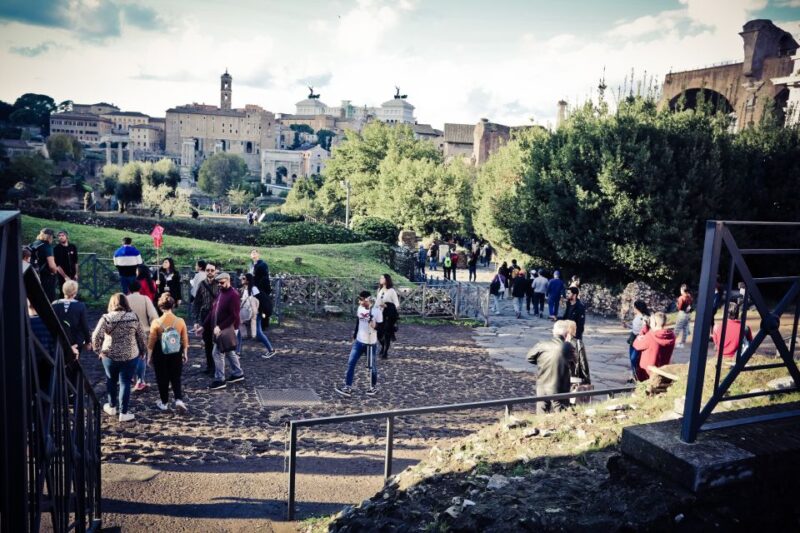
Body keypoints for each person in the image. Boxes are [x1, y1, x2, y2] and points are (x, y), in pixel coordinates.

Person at [92, 293, 147, 422]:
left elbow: (95, 337)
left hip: (109, 355)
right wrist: (143, 350)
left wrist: (98, 351)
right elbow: (142, 336)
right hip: (130, 355)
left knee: (110, 380)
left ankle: (111, 407)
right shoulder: (133, 317)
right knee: (125, 382)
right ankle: (124, 412)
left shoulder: (106, 318)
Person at [199, 272, 243, 390]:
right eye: (218, 283)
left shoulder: (233, 295)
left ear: (228, 281)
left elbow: (234, 316)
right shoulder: (221, 293)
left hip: (227, 328)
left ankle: (220, 379)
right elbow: (213, 311)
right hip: (221, 328)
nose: (220, 285)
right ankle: (238, 373)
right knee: (228, 350)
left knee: (217, 352)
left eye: (222, 283)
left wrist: (221, 327)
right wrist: (203, 326)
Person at [148, 294, 190, 412]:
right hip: (176, 352)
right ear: (173, 306)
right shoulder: (180, 321)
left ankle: (164, 402)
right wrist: (185, 353)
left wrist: (149, 356)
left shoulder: (156, 322)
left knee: (162, 378)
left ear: (160, 307)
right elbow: (185, 339)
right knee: (176, 377)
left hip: (160, 353)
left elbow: (151, 341)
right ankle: (178, 400)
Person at [335, 291, 381, 397]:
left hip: (371, 343)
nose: (359, 301)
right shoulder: (359, 308)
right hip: (359, 342)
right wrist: (355, 334)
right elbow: (358, 321)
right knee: (351, 363)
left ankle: (373, 387)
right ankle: (348, 387)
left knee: (372, 367)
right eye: (359, 299)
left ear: (367, 300)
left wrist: (373, 323)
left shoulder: (376, 310)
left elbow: (380, 326)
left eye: (361, 299)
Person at [526, 320, 576, 414]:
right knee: (562, 415)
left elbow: (529, 358)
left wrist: (542, 361)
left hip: (542, 385)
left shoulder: (542, 344)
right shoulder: (568, 346)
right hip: (559, 387)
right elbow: (574, 363)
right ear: (566, 333)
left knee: (541, 415)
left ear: (554, 331)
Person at [127, 280, 158, 392]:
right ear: (140, 288)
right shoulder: (145, 299)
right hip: (144, 331)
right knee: (141, 356)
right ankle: (140, 381)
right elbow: (154, 316)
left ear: (129, 289)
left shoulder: (125, 300)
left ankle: (129, 377)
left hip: (129, 331)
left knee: (129, 355)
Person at [237, 272, 276, 359]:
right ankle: (237, 352)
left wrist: (259, 312)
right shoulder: (244, 288)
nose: (241, 279)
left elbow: (260, 300)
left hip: (255, 314)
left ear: (248, 280)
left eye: (243, 278)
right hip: (246, 313)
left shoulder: (253, 289)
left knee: (258, 333)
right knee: (239, 330)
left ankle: (271, 350)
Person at [193, 262, 220, 375]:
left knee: (216, 343)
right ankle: (210, 366)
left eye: (212, 270)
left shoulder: (219, 284)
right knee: (207, 342)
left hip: (216, 316)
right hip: (205, 315)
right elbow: (197, 303)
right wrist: (196, 320)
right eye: (208, 270)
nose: (209, 272)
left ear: (215, 271)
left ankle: (216, 368)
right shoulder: (202, 284)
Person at [52, 280, 91, 359]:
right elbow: (84, 326)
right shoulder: (80, 306)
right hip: (75, 341)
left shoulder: (54, 304)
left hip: (59, 341)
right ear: (75, 292)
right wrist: (88, 341)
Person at [632, 312, 676, 381]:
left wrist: (644, 328)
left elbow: (636, 344)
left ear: (654, 323)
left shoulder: (650, 336)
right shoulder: (671, 336)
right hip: (662, 372)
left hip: (647, 374)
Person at [561, 286, 590, 384]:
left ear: (575, 295)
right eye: (567, 293)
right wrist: (558, 320)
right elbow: (565, 316)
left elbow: (581, 325)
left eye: (569, 293)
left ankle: (575, 377)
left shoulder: (580, 307)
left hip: (574, 336)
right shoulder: (569, 303)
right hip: (566, 334)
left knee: (575, 358)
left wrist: (576, 337)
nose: (567, 295)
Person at [30, 228, 58, 301]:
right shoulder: (47, 246)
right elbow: (52, 265)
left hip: (33, 274)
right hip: (46, 276)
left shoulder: (34, 244)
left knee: (36, 298)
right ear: (50, 237)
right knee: (48, 298)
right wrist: (55, 272)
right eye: (52, 237)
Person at [376, 274, 400, 358]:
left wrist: (387, 305)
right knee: (378, 333)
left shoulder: (391, 291)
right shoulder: (379, 289)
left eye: (382, 278)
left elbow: (397, 304)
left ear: (386, 280)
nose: (380, 279)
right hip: (380, 314)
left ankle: (385, 352)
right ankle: (383, 346)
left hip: (388, 315)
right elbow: (377, 302)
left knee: (387, 334)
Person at [626, 300, 650, 383]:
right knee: (632, 358)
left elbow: (645, 329)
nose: (633, 309)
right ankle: (633, 375)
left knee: (634, 358)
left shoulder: (645, 318)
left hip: (639, 338)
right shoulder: (638, 316)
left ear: (637, 308)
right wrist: (627, 325)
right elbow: (634, 328)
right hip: (633, 338)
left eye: (634, 307)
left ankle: (636, 376)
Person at [249, 249, 272, 331]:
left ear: (259, 254)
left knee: (262, 306)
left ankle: (263, 325)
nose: (254, 254)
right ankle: (255, 324)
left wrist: (261, 288)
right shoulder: (251, 265)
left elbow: (265, 277)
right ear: (250, 255)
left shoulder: (263, 264)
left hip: (261, 289)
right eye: (252, 253)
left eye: (255, 253)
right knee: (255, 306)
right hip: (253, 288)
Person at [53, 230, 79, 295]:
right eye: (59, 236)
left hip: (73, 274)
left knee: (74, 292)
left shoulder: (72, 246)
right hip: (63, 275)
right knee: (64, 293)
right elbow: (57, 265)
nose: (61, 237)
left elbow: (76, 261)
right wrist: (65, 276)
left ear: (66, 236)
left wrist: (76, 273)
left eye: (62, 235)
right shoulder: (56, 248)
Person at [674, 284, 693, 348]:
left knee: (677, 329)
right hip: (688, 314)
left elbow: (679, 308)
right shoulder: (690, 296)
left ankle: (672, 342)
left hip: (682, 313)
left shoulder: (681, 297)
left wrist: (677, 305)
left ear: (682, 290)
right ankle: (682, 343)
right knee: (685, 329)